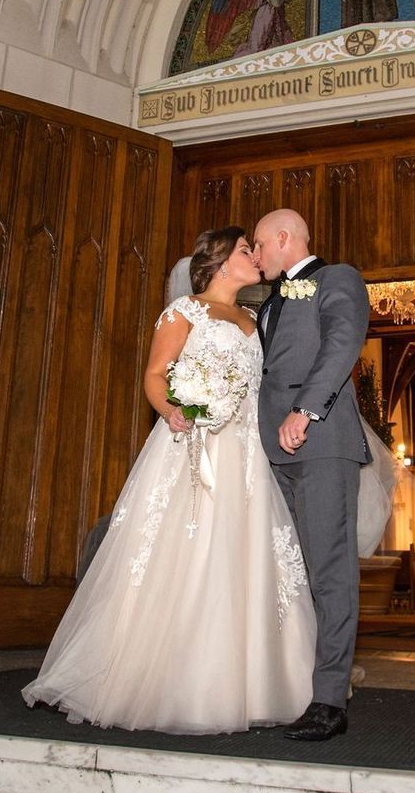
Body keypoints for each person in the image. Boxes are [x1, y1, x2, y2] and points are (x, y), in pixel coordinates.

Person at [22, 227, 316, 734]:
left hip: (245, 455)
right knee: (188, 554)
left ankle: (257, 683)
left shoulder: (252, 319)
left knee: (245, 561)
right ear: (223, 263)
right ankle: (165, 680)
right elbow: (156, 374)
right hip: (194, 445)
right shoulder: (183, 313)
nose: (256, 257)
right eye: (248, 249)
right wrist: (175, 410)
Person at [253, 209, 371, 741]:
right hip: (271, 455)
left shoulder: (336, 278)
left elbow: (342, 343)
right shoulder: (267, 301)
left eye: (259, 245)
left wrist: (307, 410)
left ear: (284, 239)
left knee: (330, 571)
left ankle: (329, 701)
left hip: (321, 444)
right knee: (289, 574)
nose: (255, 255)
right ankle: (290, 683)